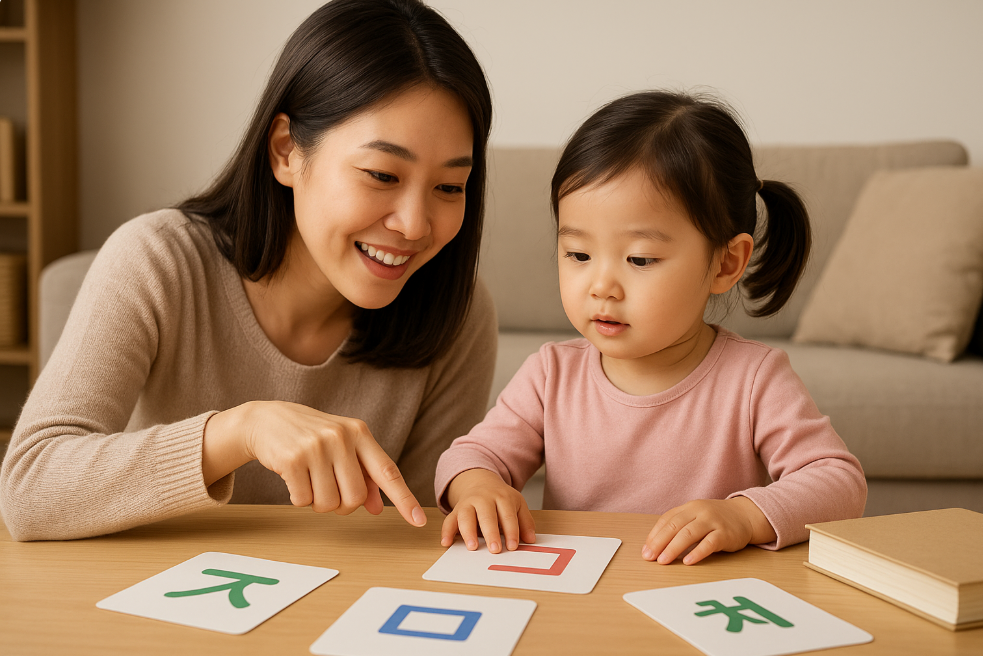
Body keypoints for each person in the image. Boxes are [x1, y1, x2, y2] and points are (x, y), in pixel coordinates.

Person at [0, 0, 495, 541]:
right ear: (286, 151)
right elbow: (28, 490)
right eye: (381, 174)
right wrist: (238, 431)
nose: (415, 225)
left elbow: (418, 534)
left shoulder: (457, 313)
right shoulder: (158, 261)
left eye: (449, 187)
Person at [436, 90, 867, 564]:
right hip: (576, 591)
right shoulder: (550, 374)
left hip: (697, 594)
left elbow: (839, 481)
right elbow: (469, 454)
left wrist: (744, 516)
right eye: (578, 254)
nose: (602, 286)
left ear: (726, 263)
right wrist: (477, 484)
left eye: (640, 259)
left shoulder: (754, 378)